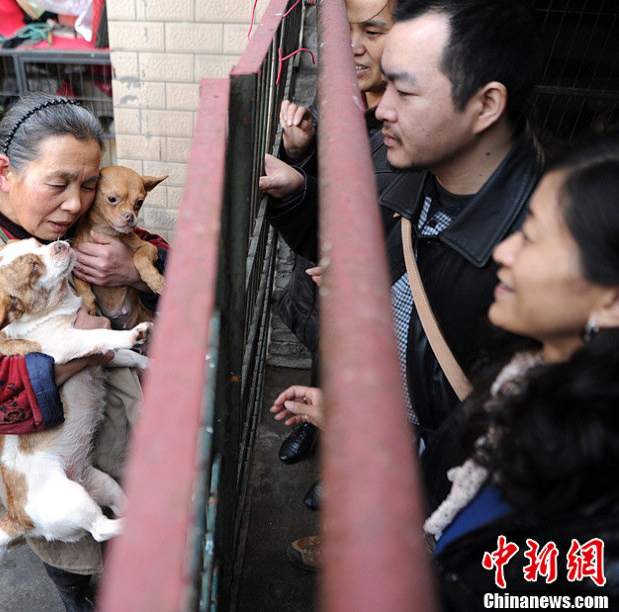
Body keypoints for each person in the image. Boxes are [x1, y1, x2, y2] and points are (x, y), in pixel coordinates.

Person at [276, 134, 619, 605]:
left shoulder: (597, 515)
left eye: (535, 236)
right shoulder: (520, 380)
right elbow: (444, 483)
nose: (504, 252)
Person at [263, 0, 546, 569]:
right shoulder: (417, 180)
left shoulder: (534, 264)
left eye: (405, 91)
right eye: (384, 85)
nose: (381, 108)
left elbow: (496, 444)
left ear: (487, 104)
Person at [0, 92, 168, 611]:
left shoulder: (80, 220)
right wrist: (85, 350)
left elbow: (162, 255)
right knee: (65, 546)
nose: (76, 204)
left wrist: (129, 271)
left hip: (117, 413)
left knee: (127, 525)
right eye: (58, 184)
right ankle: (77, 596)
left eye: (90, 183)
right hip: (37, 447)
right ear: (5, 171)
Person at [268, 0, 398, 502]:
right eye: (343, 30)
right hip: (331, 280)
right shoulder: (351, 96)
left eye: (372, 29)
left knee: (370, 375)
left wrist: (300, 187)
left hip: (375, 298)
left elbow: (374, 205)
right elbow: (346, 184)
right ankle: (319, 427)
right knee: (328, 352)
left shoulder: (415, 119)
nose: (352, 46)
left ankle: (348, 470)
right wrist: (302, 149)